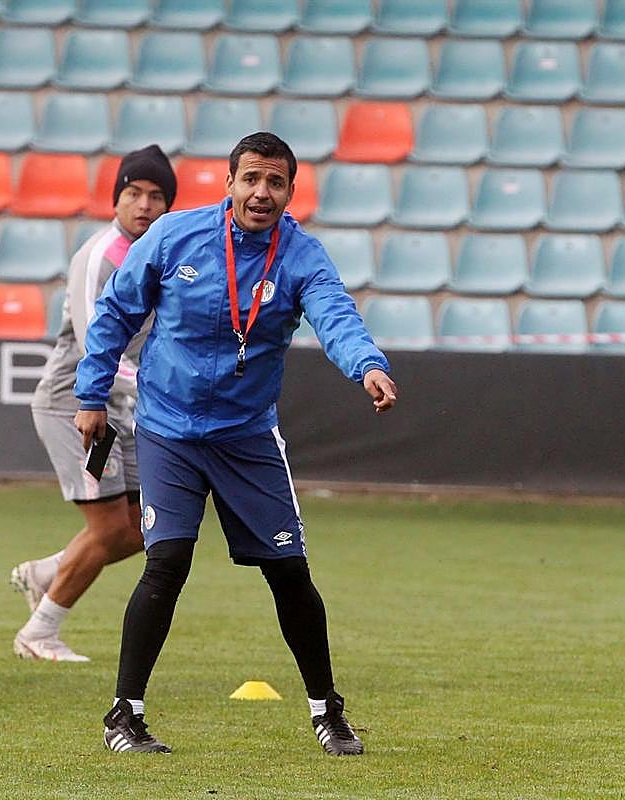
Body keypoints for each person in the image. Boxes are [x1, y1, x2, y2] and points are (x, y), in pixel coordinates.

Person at [74, 132, 398, 755]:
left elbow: (337, 317)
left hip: (247, 437)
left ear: (289, 193)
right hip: (169, 428)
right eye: (251, 179)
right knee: (166, 561)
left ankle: (327, 711)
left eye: (275, 183)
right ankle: (125, 715)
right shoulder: (174, 237)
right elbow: (115, 312)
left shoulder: (301, 256)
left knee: (289, 572)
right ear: (229, 184)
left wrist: (368, 366)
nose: (261, 193)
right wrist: (90, 397)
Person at [10, 146, 177, 663]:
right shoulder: (99, 256)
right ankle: (39, 633)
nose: (144, 205)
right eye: (133, 193)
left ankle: (47, 571)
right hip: (77, 406)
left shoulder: (163, 252)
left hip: (122, 409)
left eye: (155, 196)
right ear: (116, 200)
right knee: (109, 530)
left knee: (149, 525)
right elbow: (94, 348)